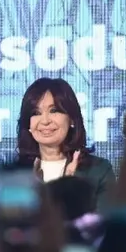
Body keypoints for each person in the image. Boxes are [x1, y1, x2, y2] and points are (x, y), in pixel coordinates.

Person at [16, 77, 115, 210]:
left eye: (54, 111)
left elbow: (104, 226)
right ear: (28, 124)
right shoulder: (16, 173)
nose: (45, 121)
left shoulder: (98, 170)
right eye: (36, 113)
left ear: (72, 119)